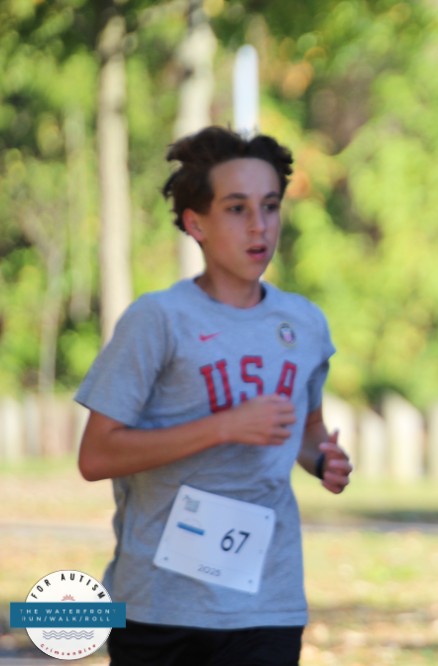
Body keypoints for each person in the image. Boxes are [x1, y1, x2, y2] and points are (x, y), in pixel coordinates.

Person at [75, 126, 352, 665]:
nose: (259, 226)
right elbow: (96, 456)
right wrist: (224, 427)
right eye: (236, 209)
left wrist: (323, 459)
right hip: (159, 605)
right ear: (195, 223)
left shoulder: (304, 323)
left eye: (270, 207)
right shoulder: (158, 319)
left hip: (267, 603)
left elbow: (306, 428)